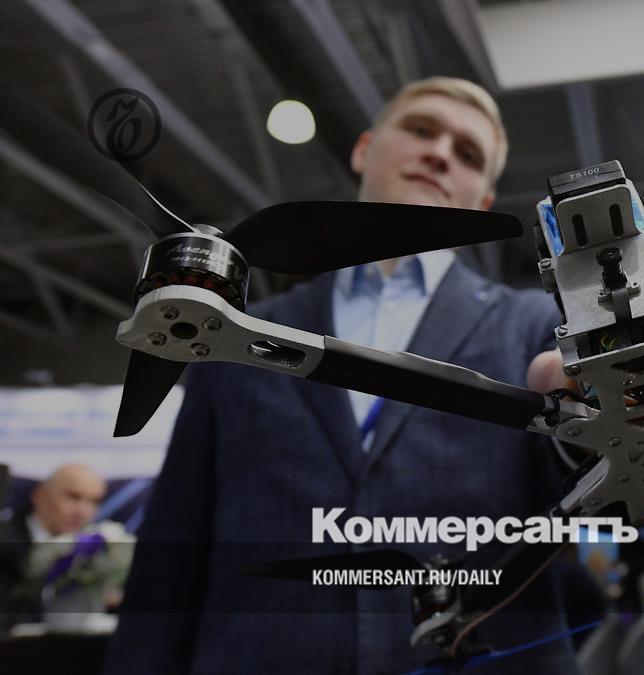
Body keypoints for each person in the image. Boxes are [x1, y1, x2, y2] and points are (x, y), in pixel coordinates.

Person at [103, 77, 578, 674]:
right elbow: (173, 547)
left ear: (482, 201)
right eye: (421, 130)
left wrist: (613, 400)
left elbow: (586, 481)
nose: (440, 154)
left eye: (468, 154)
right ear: (363, 149)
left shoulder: (538, 327)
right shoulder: (231, 335)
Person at [0, 463, 106, 629]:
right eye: (73, 497)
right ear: (39, 495)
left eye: (94, 502)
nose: (83, 511)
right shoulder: (6, 543)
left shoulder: (95, 551)